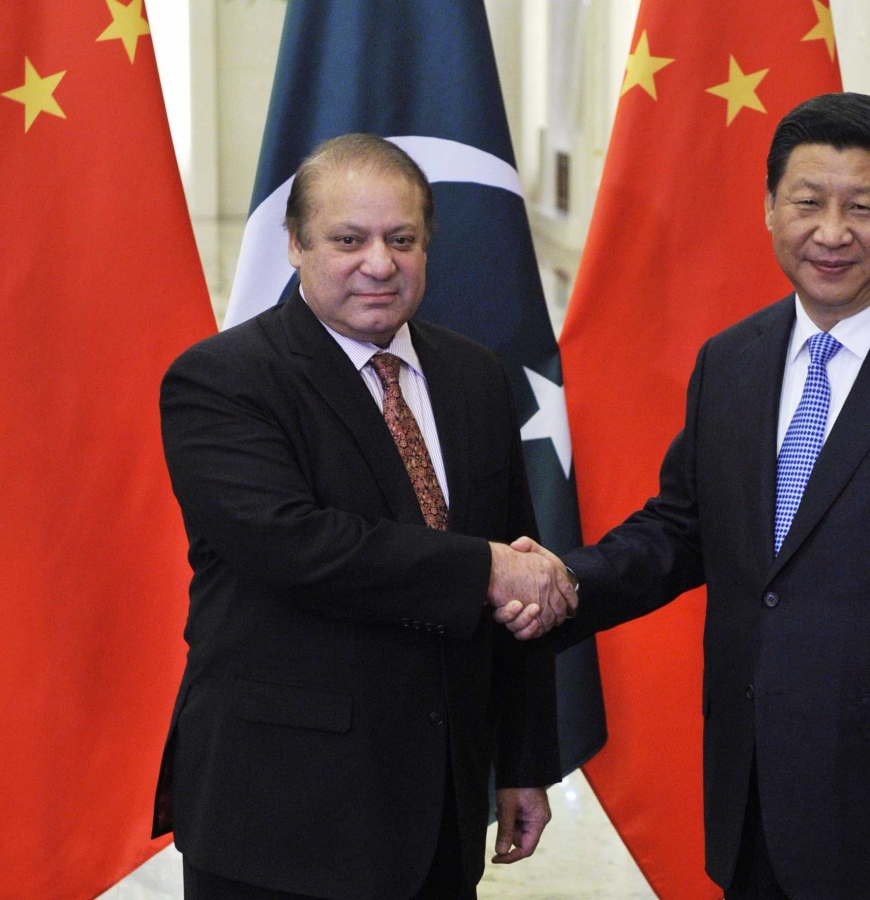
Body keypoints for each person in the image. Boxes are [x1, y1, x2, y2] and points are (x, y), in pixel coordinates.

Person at [515, 92, 870, 899]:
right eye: (808, 202)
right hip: (754, 792)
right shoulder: (732, 359)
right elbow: (682, 529)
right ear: (771, 207)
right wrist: (564, 583)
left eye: (862, 207)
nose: (832, 232)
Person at [152, 133, 576, 900]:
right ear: (295, 245)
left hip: (439, 815)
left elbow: (517, 569)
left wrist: (522, 762)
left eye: (401, 239)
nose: (379, 264)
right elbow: (294, 546)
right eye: (349, 240)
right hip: (278, 820)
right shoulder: (221, 380)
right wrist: (485, 569)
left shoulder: (474, 376)